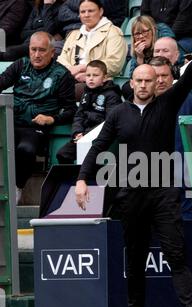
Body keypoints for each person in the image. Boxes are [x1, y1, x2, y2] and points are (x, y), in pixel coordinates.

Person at [75, 26, 192, 307]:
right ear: (131, 83)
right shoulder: (118, 113)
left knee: (176, 254)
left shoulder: (167, 104)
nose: (144, 85)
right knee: (135, 259)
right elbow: (99, 147)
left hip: (163, 192)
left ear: (158, 83)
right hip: (131, 195)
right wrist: (81, 180)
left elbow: (190, 76)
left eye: (150, 80)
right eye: (139, 80)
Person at [0, 31, 77, 204]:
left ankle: (16, 188)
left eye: (42, 50)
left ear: (52, 52)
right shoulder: (20, 65)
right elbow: (2, 81)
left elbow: (71, 109)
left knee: (25, 150)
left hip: (35, 128)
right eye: (33, 49)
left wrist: (52, 119)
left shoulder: (62, 74)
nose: (36, 55)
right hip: (10, 120)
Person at [149, 55, 192, 219]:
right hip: (152, 179)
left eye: (164, 75)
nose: (160, 80)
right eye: (156, 76)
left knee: (187, 225)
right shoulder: (142, 103)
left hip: (185, 179)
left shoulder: (190, 101)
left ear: (173, 76)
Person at [56, 59, 122, 164]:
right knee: (63, 154)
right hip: (83, 135)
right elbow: (79, 115)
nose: (91, 79)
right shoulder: (86, 93)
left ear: (104, 78)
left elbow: (109, 122)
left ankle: (84, 179)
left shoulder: (112, 95)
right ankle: (73, 179)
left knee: (85, 160)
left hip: (99, 138)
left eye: (95, 75)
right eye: (88, 75)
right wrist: (77, 132)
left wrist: (86, 136)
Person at [57, 0, 127, 82]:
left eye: (90, 11)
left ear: (101, 11)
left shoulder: (113, 32)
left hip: (101, 83)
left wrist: (86, 71)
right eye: (83, 12)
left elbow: (114, 64)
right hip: (71, 79)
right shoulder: (73, 34)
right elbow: (61, 61)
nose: (86, 15)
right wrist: (71, 72)